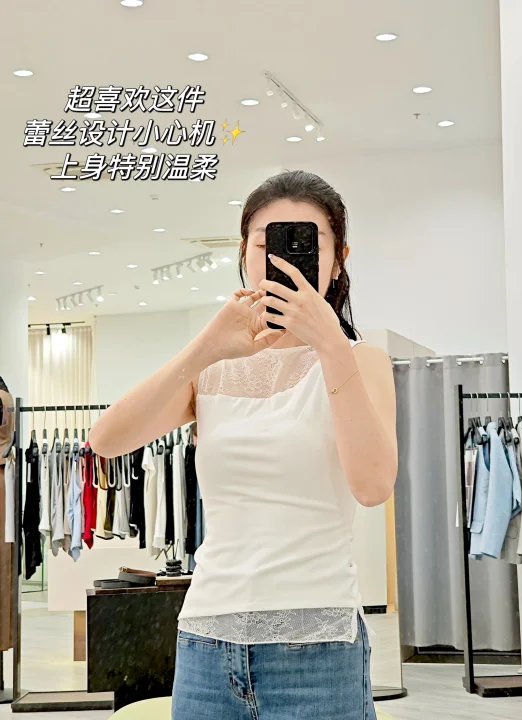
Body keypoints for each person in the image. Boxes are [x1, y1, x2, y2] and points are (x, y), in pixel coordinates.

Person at [90, 170, 398, 720]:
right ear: (244, 253)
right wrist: (206, 346)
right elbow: (107, 440)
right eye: (265, 242)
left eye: (306, 242)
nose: (282, 258)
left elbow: (373, 485)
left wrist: (330, 343)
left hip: (318, 648)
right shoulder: (213, 366)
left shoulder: (362, 361)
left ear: (338, 259)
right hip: (206, 644)